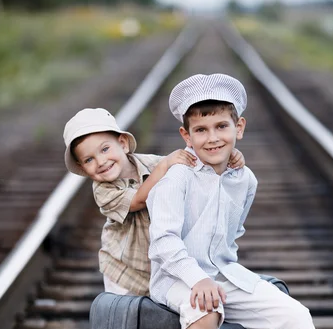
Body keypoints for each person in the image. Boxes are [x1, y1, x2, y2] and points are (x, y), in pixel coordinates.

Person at [146, 73, 333, 329]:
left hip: (223, 272)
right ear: (186, 136)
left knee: (297, 318)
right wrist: (197, 279)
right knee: (205, 307)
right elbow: (164, 240)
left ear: (239, 127)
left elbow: (231, 236)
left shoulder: (244, 179)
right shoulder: (177, 178)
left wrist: (219, 277)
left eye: (221, 126)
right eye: (201, 130)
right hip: (176, 277)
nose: (212, 137)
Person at [63, 107, 246, 296]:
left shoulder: (150, 162)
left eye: (105, 149)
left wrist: (229, 155)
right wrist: (165, 165)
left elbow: (194, 166)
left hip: (161, 267)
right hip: (125, 271)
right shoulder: (103, 190)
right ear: (82, 168)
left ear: (123, 144)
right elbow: (138, 200)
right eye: (89, 159)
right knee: (128, 317)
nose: (101, 161)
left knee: (167, 314)